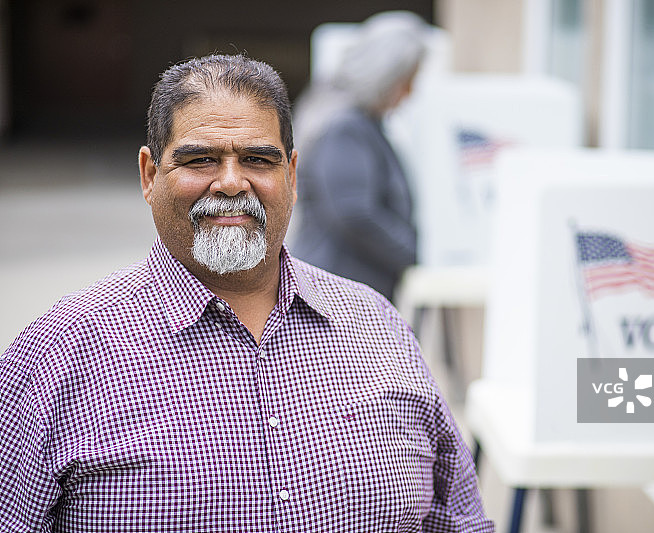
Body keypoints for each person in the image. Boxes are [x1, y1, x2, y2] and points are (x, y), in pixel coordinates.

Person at [0, 54, 493, 532]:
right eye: (200, 159)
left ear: (292, 176)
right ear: (150, 176)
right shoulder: (56, 357)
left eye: (258, 159)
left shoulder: (378, 326)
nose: (232, 182)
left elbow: (459, 521)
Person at [291, 11, 424, 301]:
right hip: (338, 290)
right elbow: (353, 212)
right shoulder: (344, 126)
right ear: (385, 75)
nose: (411, 93)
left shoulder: (350, 119)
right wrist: (414, 252)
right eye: (407, 80)